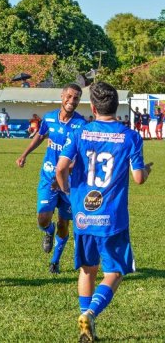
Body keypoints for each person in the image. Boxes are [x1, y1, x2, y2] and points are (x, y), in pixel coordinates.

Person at [56, 82, 152, 342]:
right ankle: (91, 314)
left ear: (94, 107)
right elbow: (139, 178)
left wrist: (68, 194)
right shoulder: (130, 136)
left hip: (83, 216)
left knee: (87, 270)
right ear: (116, 106)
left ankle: (84, 323)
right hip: (112, 219)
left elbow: (60, 169)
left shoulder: (80, 132)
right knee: (115, 272)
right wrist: (147, 170)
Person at [16, 83, 86, 274]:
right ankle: (48, 231)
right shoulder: (49, 118)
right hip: (48, 176)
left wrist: (63, 174)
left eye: (76, 98)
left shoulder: (81, 125)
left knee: (64, 224)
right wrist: (24, 154)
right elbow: (40, 136)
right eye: (69, 96)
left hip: (69, 183)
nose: (72, 101)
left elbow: (80, 157)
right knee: (43, 218)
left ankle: (55, 261)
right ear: (62, 96)